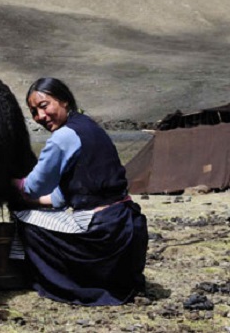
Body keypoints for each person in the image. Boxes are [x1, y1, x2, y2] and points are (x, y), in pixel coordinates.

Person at [11, 77, 148, 305]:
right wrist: (34, 203)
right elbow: (62, 197)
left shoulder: (63, 137)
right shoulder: (89, 127)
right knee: (38, 214)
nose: (40, 116)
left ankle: (53, 281)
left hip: (102, 232)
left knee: (25, 223)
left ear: (64, 101)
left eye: (44, 106)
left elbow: (33, 187)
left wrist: (9, 183)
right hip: (126, 227)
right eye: (34, 112)